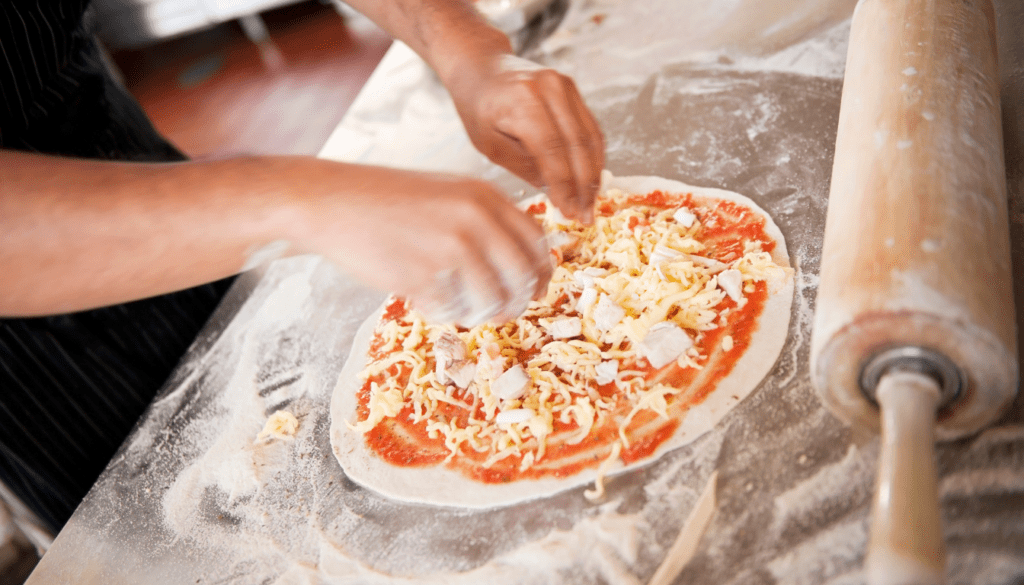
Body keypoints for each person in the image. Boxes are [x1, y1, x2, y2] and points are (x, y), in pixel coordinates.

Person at [0, 0, 604, 534]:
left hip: (134, 168)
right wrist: (289, 199)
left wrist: (463, 45)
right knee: (194, 530)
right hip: (37, 356)